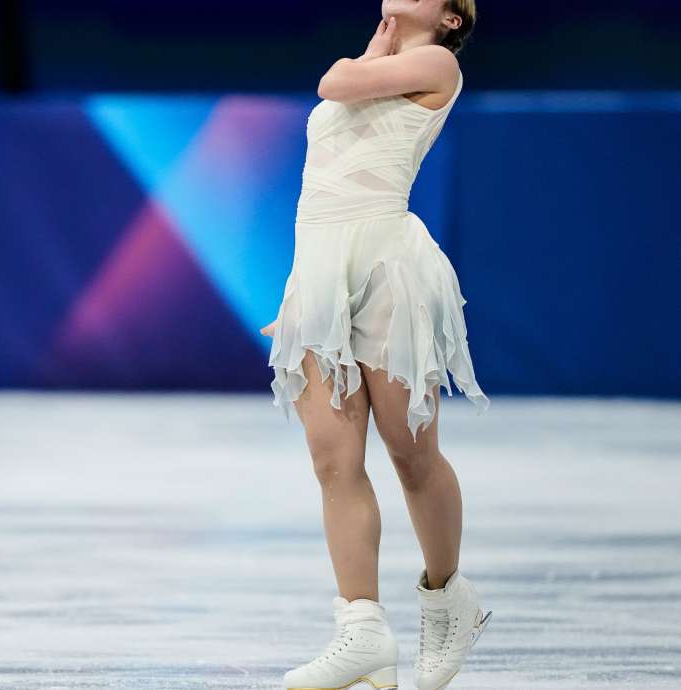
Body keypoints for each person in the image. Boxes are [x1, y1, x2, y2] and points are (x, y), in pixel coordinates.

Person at [259, 2, 492, 689]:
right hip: (320, 267)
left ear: (451, 18)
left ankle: (448, 597)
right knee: (333, 459)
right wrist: (305, 293)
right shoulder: (384, 58)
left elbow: (336, 82)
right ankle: (361, 629)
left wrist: (374, 47)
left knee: (409, 450)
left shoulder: (437, 63)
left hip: (388, 265)